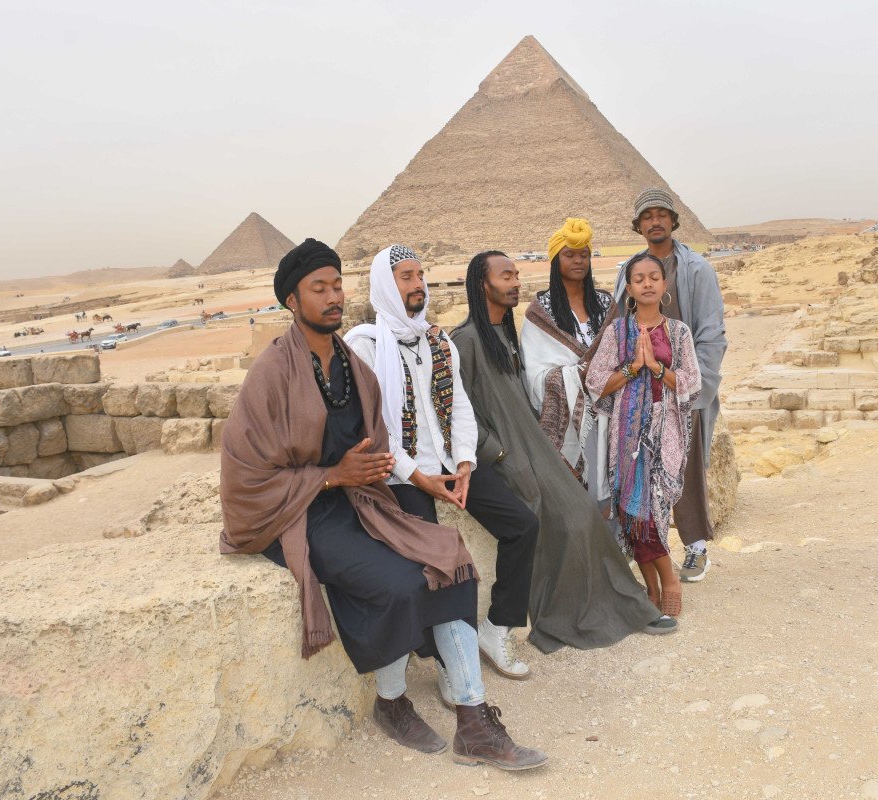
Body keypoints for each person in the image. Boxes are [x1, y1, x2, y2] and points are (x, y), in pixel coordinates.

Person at [219, 238, 546, 771]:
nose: (332, 297)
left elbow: (381, 439)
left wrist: (372, 475)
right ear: (291, 300)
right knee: (402, 583)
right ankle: (391, 702)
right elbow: (245, 476)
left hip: (363, 499)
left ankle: (473, 721)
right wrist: (332, 476)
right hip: (300, 512)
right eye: (318, 288)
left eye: (336, 285)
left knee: (449, 560)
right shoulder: (273, 373)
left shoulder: (350, 363)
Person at [450, 250, 677, 653]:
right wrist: (498, 453)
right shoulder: (465, 340)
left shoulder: (503, 333)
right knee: (570, 518)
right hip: (505, 457)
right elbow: (456, 411)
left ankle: (623, 604)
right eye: (506, 276)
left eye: (517, 275)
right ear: (482, 285)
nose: (516, 282)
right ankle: (574, 612)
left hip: (533, 446)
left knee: (585, 513)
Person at [345, 245, 538, 691]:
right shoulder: (365, 345)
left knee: (523, 525)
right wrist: (418, 477)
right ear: (385, 285)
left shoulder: (437, 339)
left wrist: (466, 461)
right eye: (406, 277)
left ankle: (496, 628)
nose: (418, 285)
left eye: (420, 275)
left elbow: (460, 407)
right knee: (436, 562)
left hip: (453, 463)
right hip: (402, 475)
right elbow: (374, 427)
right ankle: (447, 664)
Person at [612, 188, 726, 583]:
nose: (655, 221)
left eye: (662, 214)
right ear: (639, 225)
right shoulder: (629, 270)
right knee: (638, 466)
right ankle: (645, 548)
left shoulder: (696, 269)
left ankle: (696, 547)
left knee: (686, 467)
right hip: (638, 387)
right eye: (647, 216)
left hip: (682, 387)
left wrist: (697, 387)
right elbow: (617, 324)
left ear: (673, 221)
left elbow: (712, 333)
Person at [587, 253, 701, 617]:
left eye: (654, 277)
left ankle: (668, 581)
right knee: (630, 509)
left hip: (664, 433)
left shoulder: (678, 332)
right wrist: (633, 367)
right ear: (629, 288)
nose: (647, 283)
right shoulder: (616, 332)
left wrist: (656, 367)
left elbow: (691, 383)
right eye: (639, 279)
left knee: (650, 508)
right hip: (626, 434)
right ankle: (653, 588)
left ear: (664, 285)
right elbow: (596, 382)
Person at [521, 218, 614, 499]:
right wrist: (579, 375)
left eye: (584, 254)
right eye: (570, 255)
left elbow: (620, 351)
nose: (578, 261)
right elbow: (535, 374)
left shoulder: (606, 304)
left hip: (611, 411)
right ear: (555, 260)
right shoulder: (540, 311)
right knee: (582, 497)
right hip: (572, 423)